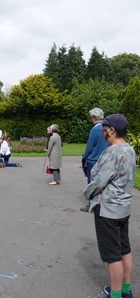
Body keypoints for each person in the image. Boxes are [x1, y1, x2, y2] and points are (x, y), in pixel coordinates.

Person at [83, 114, 136, 298]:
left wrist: (87, 193)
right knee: (124, 249)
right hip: (124, 208)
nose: (103, 133)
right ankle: (126, 290)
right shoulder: (130, 150)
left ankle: (115, 295)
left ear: (112, 130)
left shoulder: (112, 152)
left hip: (108, 210)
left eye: (104, 129)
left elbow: (98, 181)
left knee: (113, 256)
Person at [80, 107, 109, 212]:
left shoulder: (95, 129)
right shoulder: (107, 128)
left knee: (92, 183)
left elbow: (89, 147)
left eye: (91, 117)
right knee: (103, 183)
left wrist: (85, 157)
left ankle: (91, 205)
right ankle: (102, 204)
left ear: (95, 117)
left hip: (93, 160)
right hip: (105, 159)